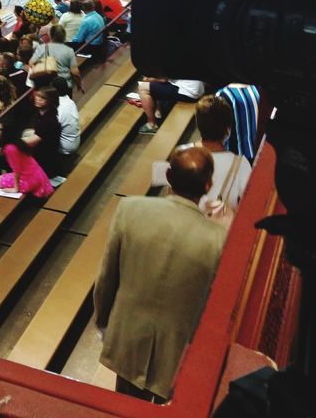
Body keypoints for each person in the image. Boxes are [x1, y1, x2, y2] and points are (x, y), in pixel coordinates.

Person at [93, 146, 227, 402]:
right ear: (208, 184)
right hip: (177, 353)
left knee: (124, 407)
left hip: (128, 336)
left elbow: (106, 278)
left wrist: (104, 323)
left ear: (168, 176)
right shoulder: (218, 239)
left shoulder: (129, 210)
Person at [134, 77, 205, 135]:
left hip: (189, 93)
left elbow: (163, 79)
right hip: (200, 87)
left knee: (143, 88)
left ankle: (152, 125)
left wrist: (148, 79)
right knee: (153, 83)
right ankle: (159, 110)